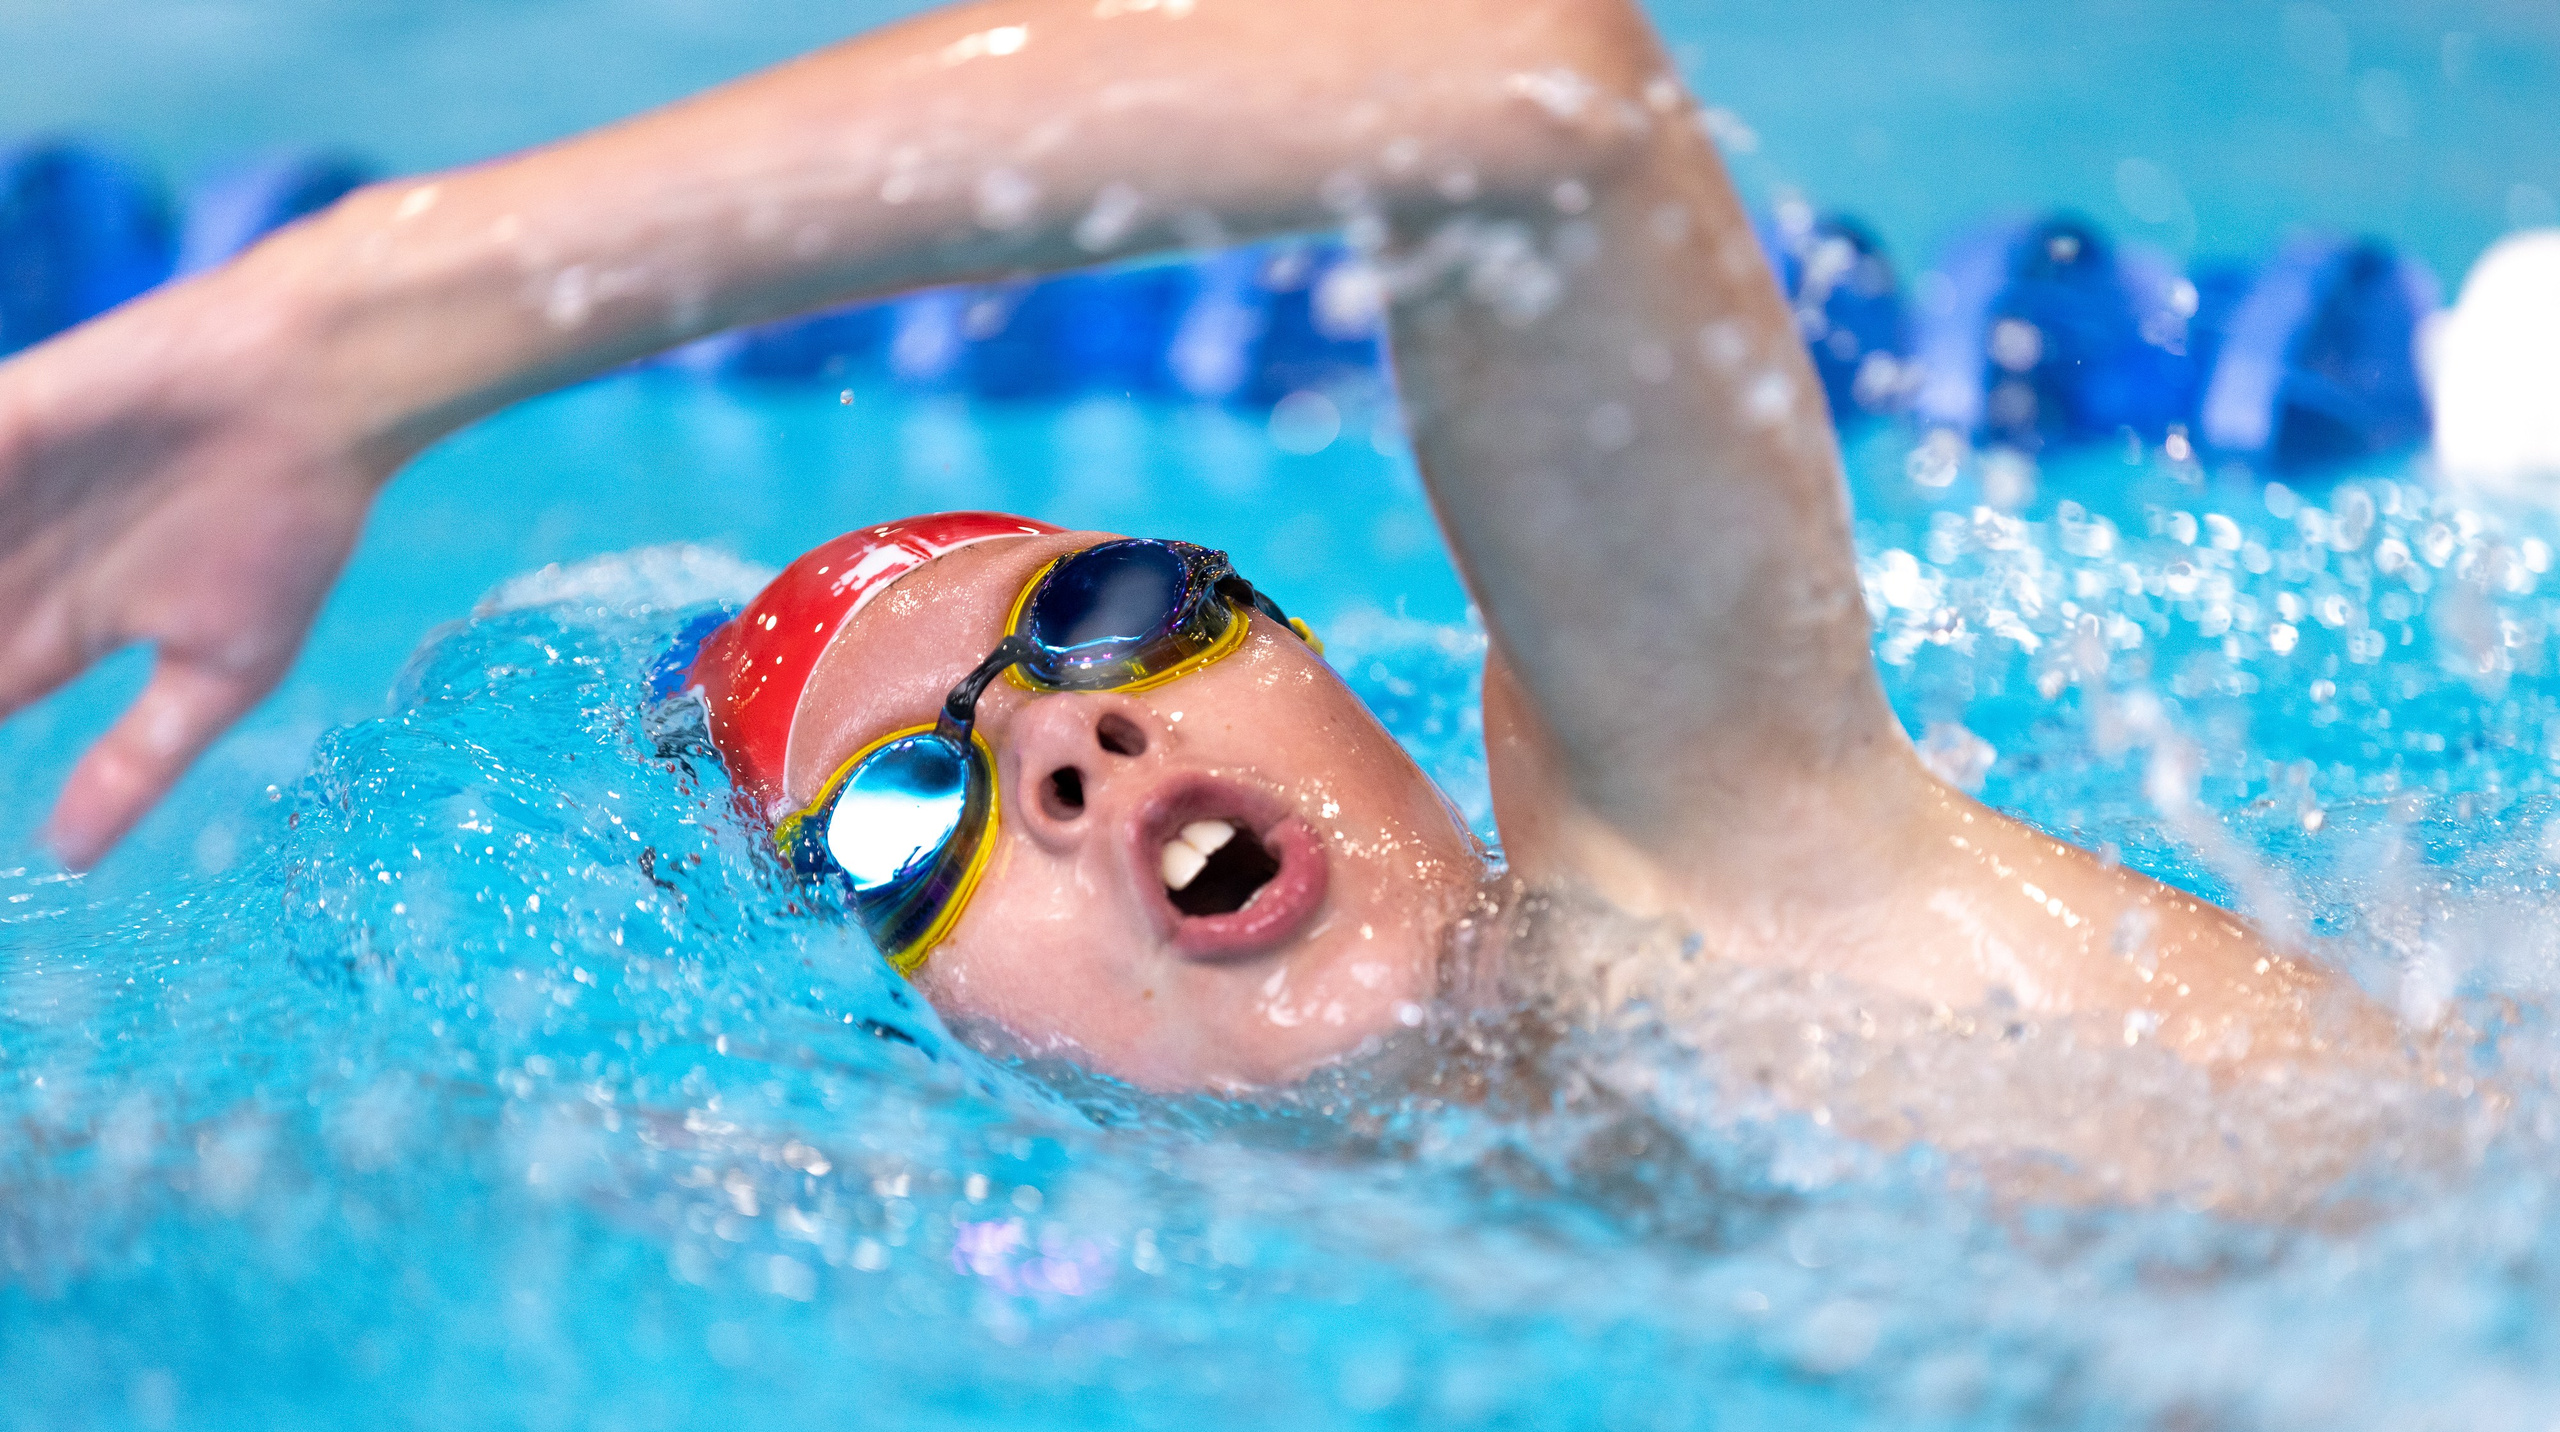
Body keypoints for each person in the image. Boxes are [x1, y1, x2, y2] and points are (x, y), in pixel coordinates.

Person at [0, 0, 2388, 1100]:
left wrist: (363, 329)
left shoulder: (1740, 890)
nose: (1072, 736)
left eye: (1106, 609)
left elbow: (1522, 100)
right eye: (908, 818)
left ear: (1337, 661)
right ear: (907, 1048)